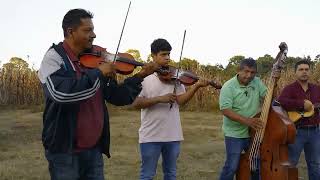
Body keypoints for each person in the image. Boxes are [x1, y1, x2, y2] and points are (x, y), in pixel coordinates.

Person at [37, 9, 158, 180]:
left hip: (93, 148)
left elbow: (117, 96)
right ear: (70, 32)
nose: (94, 35)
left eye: (93, 30)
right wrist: (98, 73)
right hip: (64, 150)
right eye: (87, 30)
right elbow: (61, 94)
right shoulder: (54, 57)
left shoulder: (97, 60)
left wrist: (140, 76)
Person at [132, 38, 212, 180]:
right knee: (147, 175)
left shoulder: (175, 78)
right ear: (153, 56)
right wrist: (159, 99)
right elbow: (135, 103)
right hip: (150, 136)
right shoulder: (144, 78)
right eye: (163, 54)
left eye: (169, 54)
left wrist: (196, 86)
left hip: (173, 136)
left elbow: (180, 100)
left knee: (171, 174)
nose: (167, 58)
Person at [218, 58, 267, 180]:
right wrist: (248, 121)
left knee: (256, 165)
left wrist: (274, 84)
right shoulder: (228, 86)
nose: (249, 75)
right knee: (232, 166)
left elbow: (268, 97)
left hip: (254, 132)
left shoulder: (257, 82)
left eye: (252, 72)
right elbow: (226, 110)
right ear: (239, 70)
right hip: (234, 134)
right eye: (246, 71)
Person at [277, 60, 320, 180]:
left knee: (315, 165)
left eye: (306, 69)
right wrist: (301, 104)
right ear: (296, 72)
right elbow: (281, 102)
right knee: (291, 163)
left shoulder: (317, 89)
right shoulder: (289, 89)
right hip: (296, 132)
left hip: (315, 132)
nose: (304, 72)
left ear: (310, 72)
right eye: (301, 69)